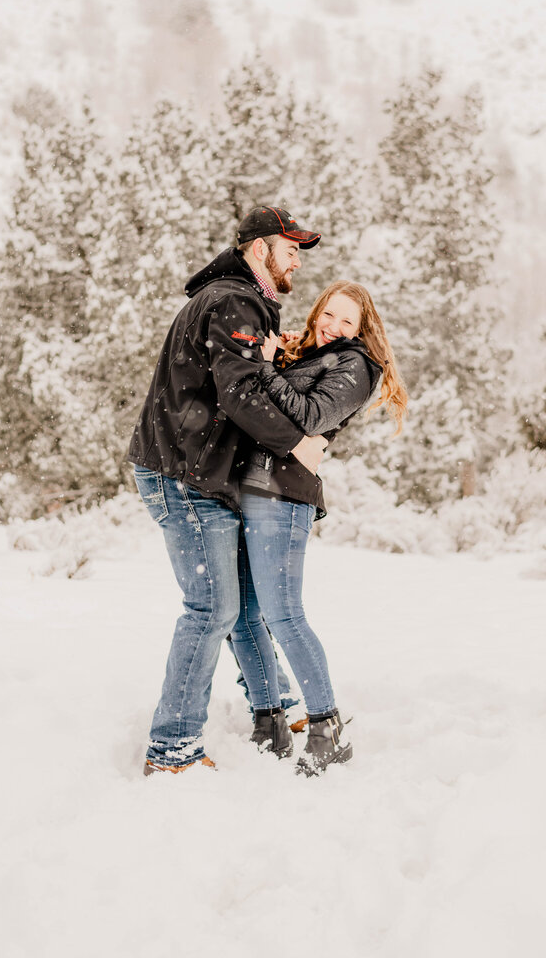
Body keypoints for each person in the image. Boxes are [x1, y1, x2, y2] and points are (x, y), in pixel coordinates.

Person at [128, 206, 327, 775]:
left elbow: (235, 381)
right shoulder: (234, 302)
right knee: (212, 608)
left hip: (202, 476)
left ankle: (275, 704)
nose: (297, 260)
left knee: (242, 604)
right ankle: (172, 750)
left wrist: (272, 354)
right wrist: (299, 442)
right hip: (185, 477)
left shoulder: (235, 304)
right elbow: (240, 396)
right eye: (290, 249)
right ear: (260, 248)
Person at [230, 281, 408, 775]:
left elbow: (309, 416)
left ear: (361, 330)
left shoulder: (357, 366)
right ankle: (269, 720)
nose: (333, 326)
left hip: (284, 494)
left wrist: (267, 365)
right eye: (329, 314)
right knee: (242, 615)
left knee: (283, 614)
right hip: (247, 488)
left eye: (347, 321)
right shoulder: (304, 352)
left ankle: (327, 726)